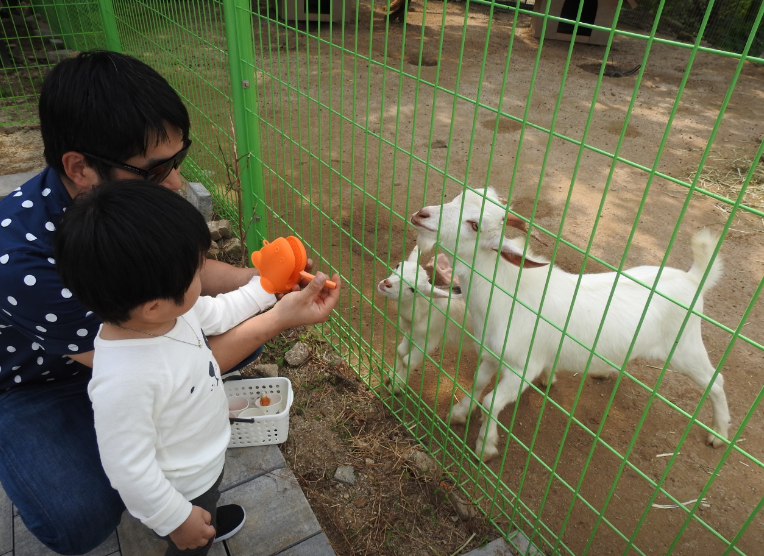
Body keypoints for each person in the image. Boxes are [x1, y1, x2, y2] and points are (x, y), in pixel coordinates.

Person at [0, 50, 337, 555]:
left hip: (137, 350)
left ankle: (185, 497)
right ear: (81, 167)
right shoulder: (18, 259)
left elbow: (194, 279)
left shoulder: (127, 205)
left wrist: (268, 284)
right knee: (80, 513)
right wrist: (276, 321)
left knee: (229, 338)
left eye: (178, 161)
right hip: (43, 381)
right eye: (159, 169)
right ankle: (168, 518)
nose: (176, 182)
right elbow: (154, 377)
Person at [53, 180, 338, 554]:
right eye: (195, 274)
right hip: (182, 485)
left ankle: (207, 518)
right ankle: (195, 534)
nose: (201, 279)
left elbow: (220, 313)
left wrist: (268, 285)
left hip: (206, 452)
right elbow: (128, 469)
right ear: (154, 305)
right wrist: (175, 519)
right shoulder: (124, 379)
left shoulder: (169, 313)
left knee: (210, 499)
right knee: (193, 538)